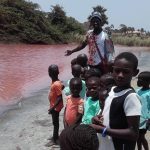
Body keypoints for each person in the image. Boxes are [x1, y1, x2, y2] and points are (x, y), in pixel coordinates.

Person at [91, 52, 141, 150]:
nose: (120, 75)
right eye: (117, 71)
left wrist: (103, 130)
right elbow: (107, 114)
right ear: (112, 70)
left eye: (125, 72)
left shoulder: (131, 97)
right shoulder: (111, 90)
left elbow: (133, 133)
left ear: (135, 72)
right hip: (105, 145)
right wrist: (96, 119)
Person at [46, 64, 64, 147]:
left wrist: (52, 108)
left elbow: (59, 97)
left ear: (49, 74)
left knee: (55, 123)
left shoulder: (56, 84)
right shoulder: (56, 82)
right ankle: (55, 136)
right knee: (55, 122)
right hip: (55, 106)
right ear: (58, 72)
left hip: (56, 107)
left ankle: (55, 139)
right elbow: (60, 87)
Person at [136, 71, 150, 150]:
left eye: (141, 79)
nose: (138, 81)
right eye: (138, 79)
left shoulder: (149, 93)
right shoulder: (137, 91)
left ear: (148, 82)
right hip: (137, 118)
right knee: (138, 137)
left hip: (145, 120)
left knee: (141, 136)